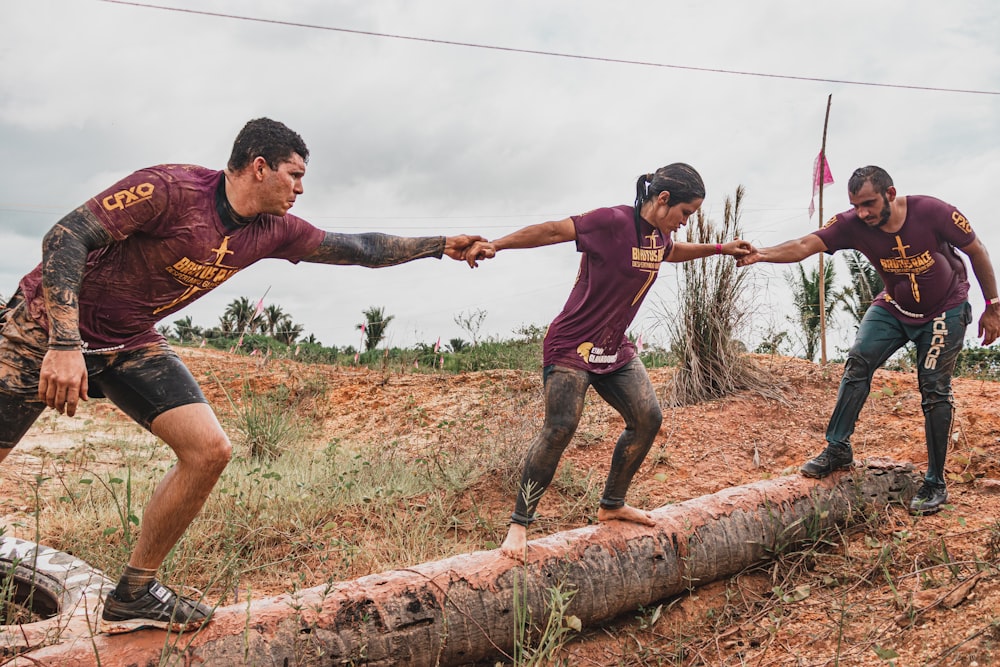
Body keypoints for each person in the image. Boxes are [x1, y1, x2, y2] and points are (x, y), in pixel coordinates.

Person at [0, 118, 484, 634]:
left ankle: (135, 592)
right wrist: (64, 344)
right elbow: (66, 236)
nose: (300, 188)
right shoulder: (170, 189)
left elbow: (358, 248)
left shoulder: (273, 230)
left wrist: (440, 245)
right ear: (260, 167)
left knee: (209, 450)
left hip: (129, 340)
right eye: (294, 175)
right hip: (44, 324)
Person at [466, 163, 753, 560]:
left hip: (614, 348)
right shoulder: (612, 221)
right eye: (686, 213)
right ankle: (519, 524)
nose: (686, 223)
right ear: (664, 199)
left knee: (648, 418)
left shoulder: (659, 237)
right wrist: (497, 244)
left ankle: (612, 504)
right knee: (560, 428)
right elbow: (552, 230)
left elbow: (673, 253)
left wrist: (720, 249)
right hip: (571, 346)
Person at [738, 165, 1000, 514]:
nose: (863, 213)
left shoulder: (933, 211)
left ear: (890, 194)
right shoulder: (852, 224)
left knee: (934, 387)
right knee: (859, 360)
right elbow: (805, 244)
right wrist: (761, 254)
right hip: (893, 306)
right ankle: (837, 448)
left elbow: (976, 249)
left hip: (945, 309)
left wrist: (993, 306)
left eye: (869, 204)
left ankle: (935, 482)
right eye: (856, 205)